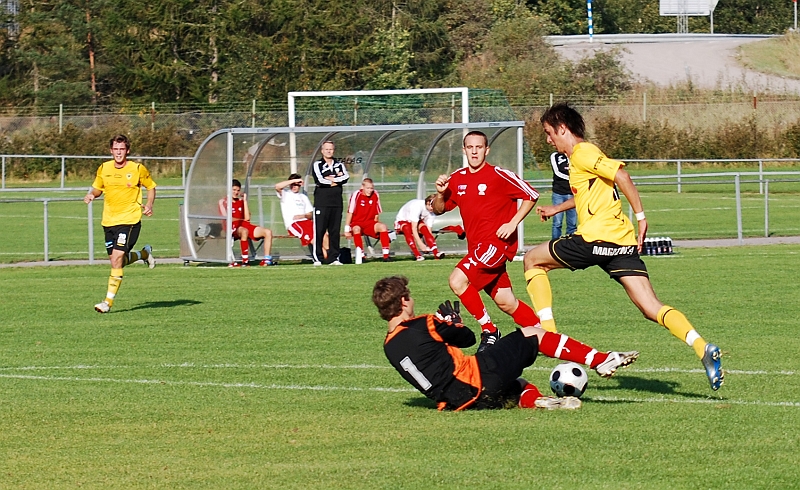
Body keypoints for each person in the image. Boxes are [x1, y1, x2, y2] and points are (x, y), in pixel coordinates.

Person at [523, 102, 724, 391]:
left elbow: (622, 175)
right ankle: (702, 347)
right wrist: (557, 209)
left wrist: (641, 216)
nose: (547, 139)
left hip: (595, 239)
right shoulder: (584, 157)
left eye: (548, 132)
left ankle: (550, 334)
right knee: (650, 307)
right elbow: (592, 193)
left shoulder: (583, 152)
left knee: (532, 259)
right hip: (620, 243)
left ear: (562, 129)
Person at [373, 276, 639, 411]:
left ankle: (541, 402)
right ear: (404, 301)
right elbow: (467, 339)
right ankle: (600, 360)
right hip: (478, 378)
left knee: (519, 385)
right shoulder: (424, 323)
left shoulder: (388, 346)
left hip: (456, 402)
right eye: (409, 295)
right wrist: (453, 323)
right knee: (533, 333)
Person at [431, 131, 541, 352]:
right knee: (506, 301)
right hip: (477, 249)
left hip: (496, 245)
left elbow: (531, 194)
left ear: (486, 150)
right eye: (470, 147)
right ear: (464, 150)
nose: (474, 151)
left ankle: (490, 330)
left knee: (457, 280)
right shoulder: (458, 177)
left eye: (478, 147)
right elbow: (438, 209)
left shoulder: (499, 175)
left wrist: (513, 223)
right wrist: (441, 194)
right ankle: (544, 335)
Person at [83, 134, 156, 313]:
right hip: (108, 221)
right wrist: (92, 194)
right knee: (118, 262)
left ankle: (107, 303)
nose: (118, 153)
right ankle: (144, 254)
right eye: (115, 149)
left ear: (127, 150)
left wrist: (148, 205)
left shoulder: (137, 168)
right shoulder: (104, 168)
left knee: (116, 260)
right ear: (111, 150)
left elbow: (151, 187)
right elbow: (98, 188)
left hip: (129, 221)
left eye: (122, 149)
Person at [218, 179, 274, 267]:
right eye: (234, 190)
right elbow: (226, 218)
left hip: (243, 225)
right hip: (232, 228)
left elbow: (247, 218)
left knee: (268, 232)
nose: (236, 192)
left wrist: (244, 201)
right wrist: (240, 220)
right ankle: (245, 261)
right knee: (244, 231)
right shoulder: (223, 202)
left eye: (238, 190)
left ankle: (267, 260)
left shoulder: (240, 202)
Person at [311, 140, 349, 265]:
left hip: (336, 202)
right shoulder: (317, 164)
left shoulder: (339, 164)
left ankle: (334, 258)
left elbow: (345, 177)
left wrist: (334, 180)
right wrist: (334, 180)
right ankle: (318, 258)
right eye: (326, 149)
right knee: (320, 231)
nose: (329, 151)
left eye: (331, 149)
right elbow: (320, 180)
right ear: (322, 151)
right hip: (322, 202)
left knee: (334, 231)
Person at [345, 177, 392, 263]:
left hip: (369, 223)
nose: (370, 190)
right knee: (356, 229)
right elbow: (350, 212)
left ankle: (386, 256)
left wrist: (377, 226)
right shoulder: (356, 194)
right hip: (357, 223)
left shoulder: (375, 194)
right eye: (368, 188)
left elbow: (377, 213)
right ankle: (361, 256)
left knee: (383, 227)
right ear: (362, 187)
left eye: (371, 188)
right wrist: (347, 229)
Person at [275, 173, 318, 256]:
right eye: (292, 184)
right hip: (294, 224)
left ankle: (331, 257)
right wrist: (294, 180)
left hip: (306, 222)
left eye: (296, 185)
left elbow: (310, 214)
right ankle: (320, 258)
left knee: (323, 235)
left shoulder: (303, 197)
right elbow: (277, 186)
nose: (294, 186)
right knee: (314, 239)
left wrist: (303, 216)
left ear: (300, 185)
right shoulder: (286, 194)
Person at [394, 195, 442, 261]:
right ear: (428, 203)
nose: (434, 208)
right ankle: (417, 255)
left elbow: (429, 230)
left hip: (415, 223)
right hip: (402, 221)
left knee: (424, 228)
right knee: (406, 229)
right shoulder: (417, 207)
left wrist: (428, 244)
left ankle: (436, 253)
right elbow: (414, 228)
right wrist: (420, 244)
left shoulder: (432, 211)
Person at [549, 151, 577, 239]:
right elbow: (557, 172)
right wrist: (574, 178)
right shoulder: (555, 156)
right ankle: (555, 244)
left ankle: (572, 245)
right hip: (559, 193)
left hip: (573, 194)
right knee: (557, 223)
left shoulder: (576, 155)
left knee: (572, 224)